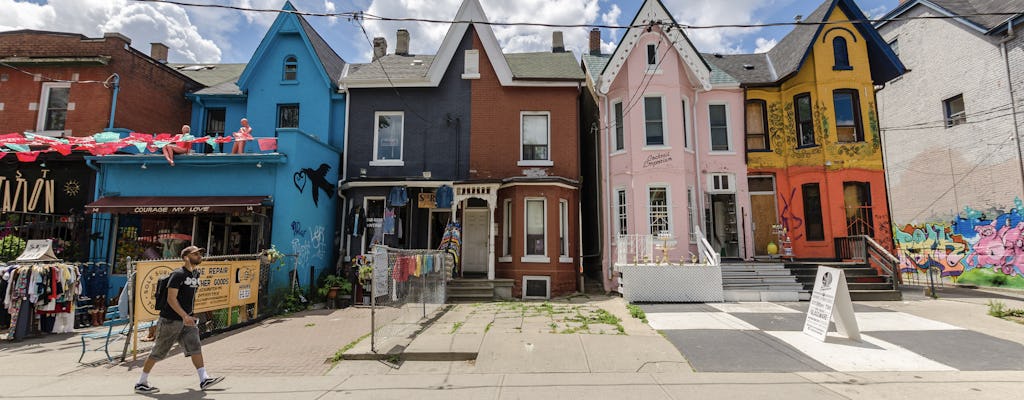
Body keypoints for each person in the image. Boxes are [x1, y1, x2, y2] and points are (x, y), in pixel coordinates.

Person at [134, 246, 223, 394]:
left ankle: (204, 379)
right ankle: (141, 382)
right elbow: (171, 299)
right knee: (158, 352)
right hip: (170, 320)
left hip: (187, 320)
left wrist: (190, 315)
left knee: (195, 346)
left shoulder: (196, 274)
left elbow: (188, 298)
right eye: (196, 254)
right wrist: (184, 315)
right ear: (186, 257)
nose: (199, 255)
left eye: (200, 253)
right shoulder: (178, 275)